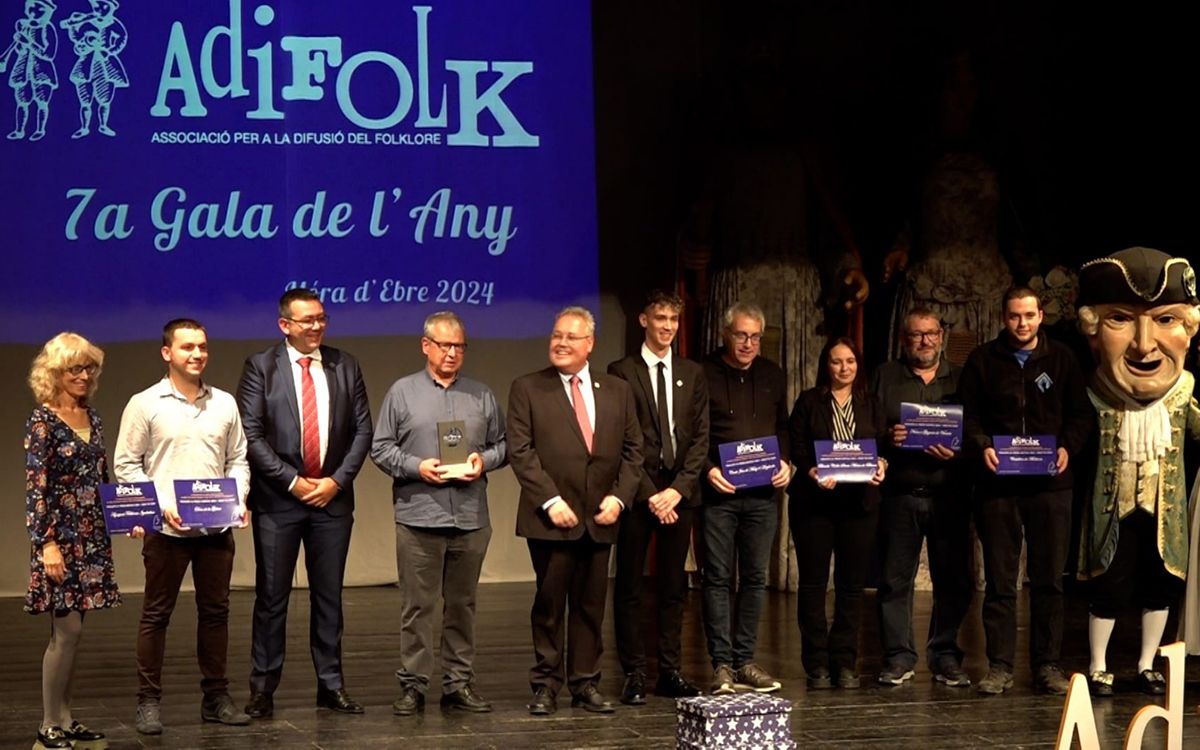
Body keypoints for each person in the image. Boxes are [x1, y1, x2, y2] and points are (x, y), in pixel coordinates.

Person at [237, 289, 373, 717]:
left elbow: (362, 431)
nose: (315, 326)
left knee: (329, 597)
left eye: (320, 318)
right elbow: (251, 435)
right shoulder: (261, 366)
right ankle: (263, 689)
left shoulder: (344, 364)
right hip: (280, 502)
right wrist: (293, 483)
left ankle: (331, 685)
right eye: (306, 320)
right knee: (272, 599)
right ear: (284, 325)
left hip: (332, 502)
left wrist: (335, 481)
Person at [114, 319, 251, 734]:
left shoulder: (224, 402)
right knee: (157, 615)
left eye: (203, 347)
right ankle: (148, 701)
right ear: (167, 353)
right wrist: (161, 506)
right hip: (167, 531)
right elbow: (125, 465)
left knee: (216, 613)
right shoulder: (145, 403)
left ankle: (215, 697)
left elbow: (238, 460)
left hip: (215, 530)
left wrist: (238, 499)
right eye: (187, 347)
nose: (197, 354)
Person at [1073, 248, 1200, 696]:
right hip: (1112, 511)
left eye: (1165, 320)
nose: (1144, 344)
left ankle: (1147, 663)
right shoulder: (1089, 396)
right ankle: (1098, 664)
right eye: (1121, 319)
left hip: (1164, 516)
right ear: (1092, 333)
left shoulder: (1185, 395)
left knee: (1159, 585)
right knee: (1108, 583)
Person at [370, 311, 507, 716]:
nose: (452, 353)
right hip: (419, 517)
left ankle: (458, 684)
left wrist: (483, 460)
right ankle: (414, 685)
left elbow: (503, 445)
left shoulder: (481, 394)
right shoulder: (402, 392)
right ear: (425, 345)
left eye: (459, 346)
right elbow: (381, 447)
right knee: (417, 607)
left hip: (470, 517)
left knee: (463, 605)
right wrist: (418, 467)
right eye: (444, 345)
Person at [507, 306, 642, 715]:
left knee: (590, 605)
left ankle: (585, 684)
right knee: (550, 604)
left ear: (590, 345)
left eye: (571, 337)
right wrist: (551, 500)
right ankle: (546, 684)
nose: (560, 343)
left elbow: (634, 452)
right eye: (556, 335)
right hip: (551, 519)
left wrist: (618, 499)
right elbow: (521, 451)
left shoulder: (616, 390)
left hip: (600, 518)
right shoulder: (528, 387)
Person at [959, 288, 1093, 695]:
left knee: (1049, 579)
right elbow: (967, 416)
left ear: (1041, 316)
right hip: (998, 488)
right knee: (1001, 581)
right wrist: (982, 445)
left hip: (1051, 487)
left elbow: (1081, 414)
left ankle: (1047, 664)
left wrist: (1068, 445)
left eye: (1030, 316)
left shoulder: (1063, 358)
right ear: (1004, 317)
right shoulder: (983, 360)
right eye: (1015, 316)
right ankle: (999, 666)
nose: (1022, 324)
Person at [607, 291, 709, 703]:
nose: (668, 326)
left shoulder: (692, 372)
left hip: (679, 495)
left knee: (672, 588)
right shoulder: (621, 371)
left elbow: (701, 439)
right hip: (637, 494)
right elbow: (620, 439)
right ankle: (633, 672)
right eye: (660, 317)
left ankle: (669, 670)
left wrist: (676, 491)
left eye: (674, 319)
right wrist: (652, 494)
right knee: (630, 585)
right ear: (643, 320)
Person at [24, 332, 117, 749]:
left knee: (76, 634)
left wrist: (125, 517)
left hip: (92, 536)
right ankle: (48, 724)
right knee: (66, 631)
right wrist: (46, 545)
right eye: (74, 368)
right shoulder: (42, 422)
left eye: (88, 368)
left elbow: (102, 480)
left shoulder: (91, 417)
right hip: (58, 539)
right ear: (55, 373)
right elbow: (35, 489)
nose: (83, 376)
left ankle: (66, 717)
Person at [871, 309, 972, 687]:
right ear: (904, 338)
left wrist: (958, 452)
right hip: (900, 493)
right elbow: (869, 427)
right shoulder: (885, 376)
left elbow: (975, 433)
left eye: (930, 334)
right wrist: (888, 437)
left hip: (950, 494)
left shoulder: (961, 377)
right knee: (894, 580)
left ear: (942, 336)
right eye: (916, 335)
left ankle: (944, 653)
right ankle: (898, 656)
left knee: (953, 579)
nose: (924, 342)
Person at [700, 301, 792, 694]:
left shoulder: (773, 374)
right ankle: (721, 664)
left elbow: (783, 428)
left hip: (762, 497)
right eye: (741, 335)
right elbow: (693, 433)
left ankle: (744, 661)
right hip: (719, 493)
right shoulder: (702, 373)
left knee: (755, 579)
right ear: (726, 334)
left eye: (755, 337)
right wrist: (708, 469)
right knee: (718, 578)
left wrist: (787, 461)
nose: (749, 343)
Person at [788, 337, 886, 689]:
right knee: (813, 585)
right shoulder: (809, 401)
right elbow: (795, 444)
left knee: (851, 587)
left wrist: (882, 465)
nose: (844, 368)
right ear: (825, 365)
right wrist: (812, 470)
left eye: (850, 361)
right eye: (836, 362)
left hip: (858, 506)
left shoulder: (871, 402)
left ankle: (844, 662)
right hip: (814, 505)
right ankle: (815, 663)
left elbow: (884, 445)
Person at [0, 0, 58, 142]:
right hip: (22, 70)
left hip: (42, 72)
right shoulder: (22, 25)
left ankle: (40, 130)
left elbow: (49, 55)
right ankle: (19, 130)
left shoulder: (48, 28)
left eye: (39, 9)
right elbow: (20, 50)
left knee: (42, 102)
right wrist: (19, 45)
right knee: (21, 102)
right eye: (31, 7)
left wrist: (28, 43)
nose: (34, 11)